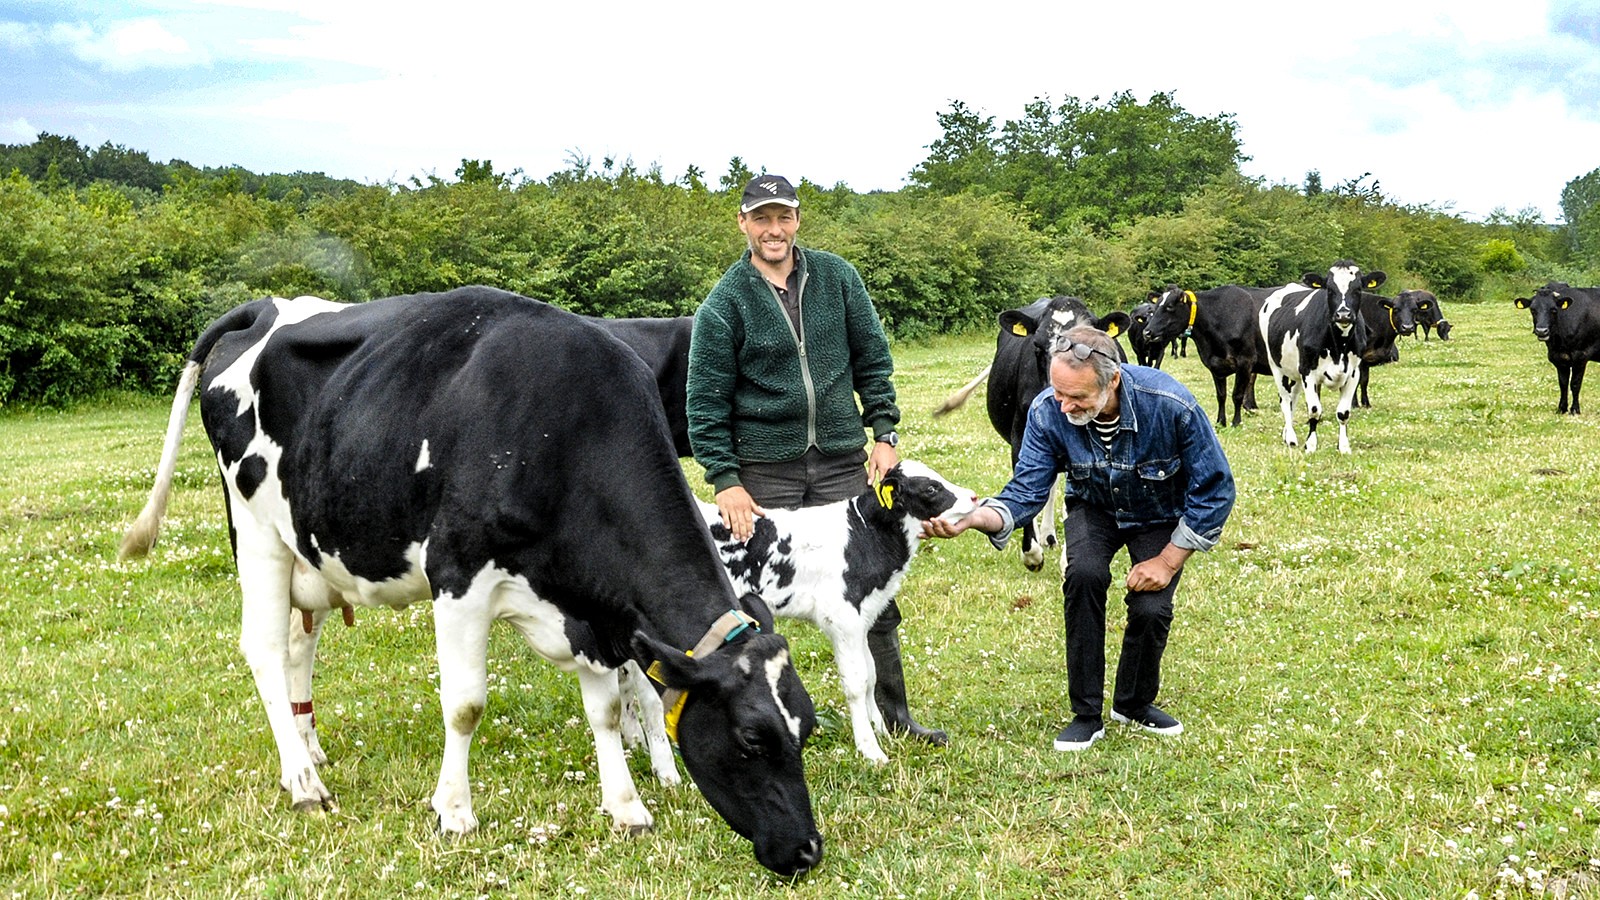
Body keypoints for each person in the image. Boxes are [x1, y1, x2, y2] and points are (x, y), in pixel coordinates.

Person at [686, 174, 945, 744]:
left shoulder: (838, 279)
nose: (773, 229)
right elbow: (704, 403)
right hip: (763, 468)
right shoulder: (723, 304)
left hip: (840, 460)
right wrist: (726, 480)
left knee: (871, 585)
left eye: (783, 217)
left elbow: (873, 358)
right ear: (743, 223)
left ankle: (894, 715)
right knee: (752, 598)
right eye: (761, 218)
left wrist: (883, 432)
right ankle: (765, 718)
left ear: (797, 220)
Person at [924, 325, 1235, 751]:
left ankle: (1133, 704)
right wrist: (977, 518)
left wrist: (1167, 561)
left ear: (1113, 380)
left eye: (1078, 397)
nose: (1064, 405)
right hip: (1094, 506)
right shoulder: (1047, 409)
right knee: (1084, 575)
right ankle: (1086, 714)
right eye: (1058, 392)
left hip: (1159, 511)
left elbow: (1216, 488)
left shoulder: (1171, 403)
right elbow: (1027, 490)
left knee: (1151, 607)